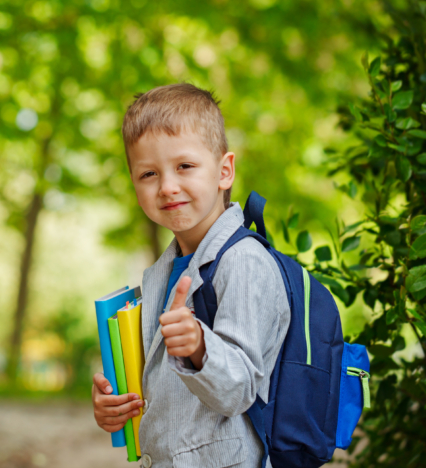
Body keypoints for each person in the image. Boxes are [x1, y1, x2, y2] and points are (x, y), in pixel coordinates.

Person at [91, 83, 290, 467]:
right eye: (148, 174)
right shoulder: (161, 272)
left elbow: (240, 389)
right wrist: (114, 406)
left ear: (224, 171)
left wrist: (200, 347)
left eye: (184, 166)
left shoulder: (244, 263)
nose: (167, 187)